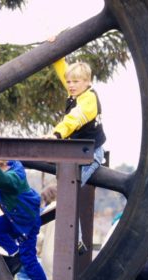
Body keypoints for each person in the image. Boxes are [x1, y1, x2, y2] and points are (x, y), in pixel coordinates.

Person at [44, 42, 106, 251]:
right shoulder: (76, 93)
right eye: (69, 82)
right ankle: (75, 239)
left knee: (68, 191)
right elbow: (64, 73)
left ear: (87, 82)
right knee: (65, 190)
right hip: (78, 153)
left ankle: (76, 240)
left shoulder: (88, 101)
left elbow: (73, 120)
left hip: (92, 155)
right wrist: (55, 51)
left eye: (75, 82)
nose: (70, 85)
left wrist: (56, 134)